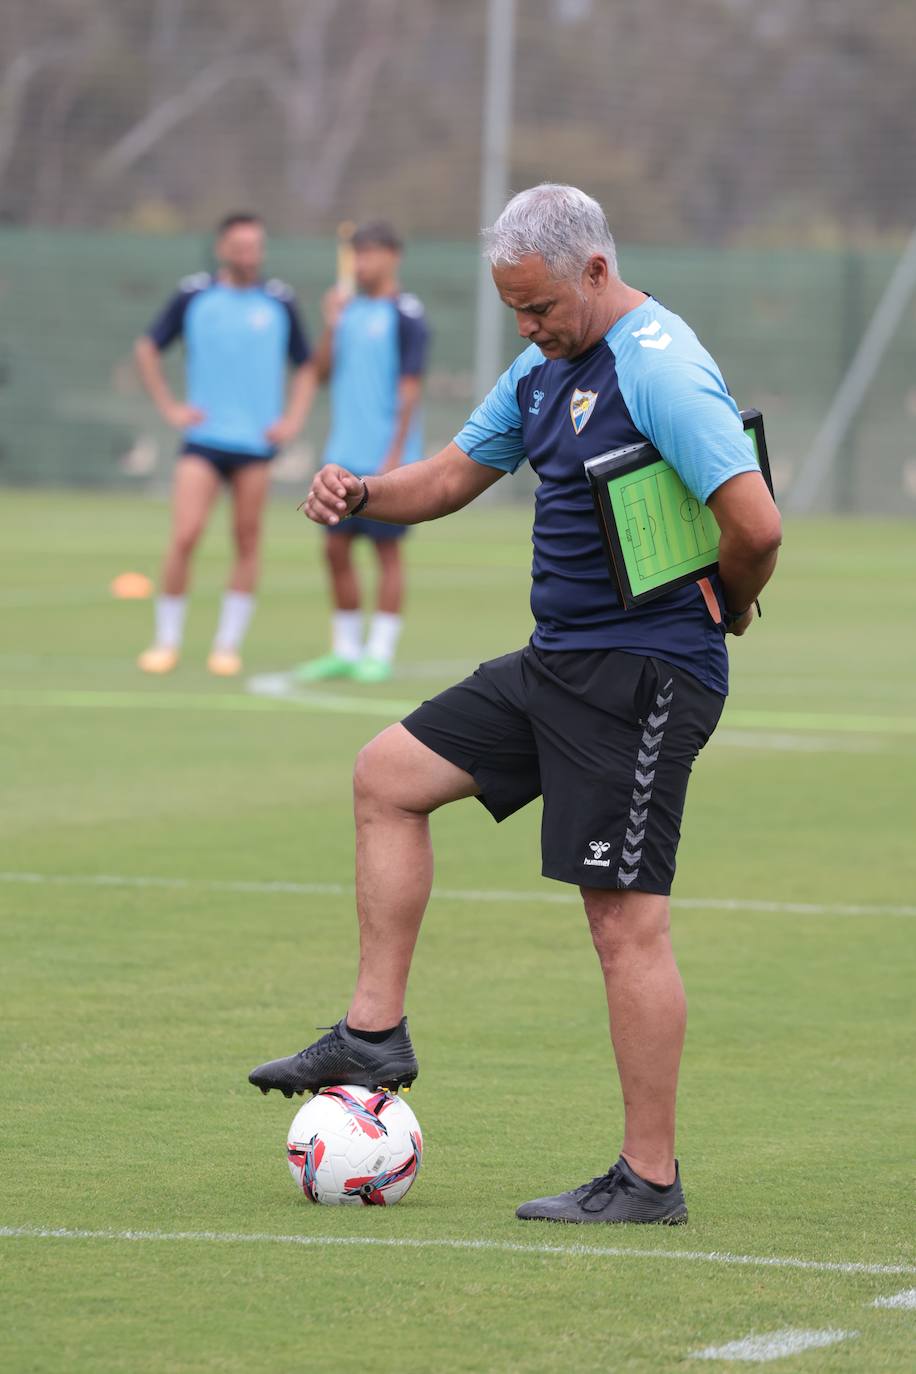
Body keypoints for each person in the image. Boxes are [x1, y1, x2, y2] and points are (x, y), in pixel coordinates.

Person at [249, 185, 782, 1225]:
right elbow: (451, 475)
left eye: (539, 308)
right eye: (515, 313)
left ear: (594, 269)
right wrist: (362, 493)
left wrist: (733, 600)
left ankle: (648, 1180)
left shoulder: (659, 367)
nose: (528, 330)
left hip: (641, 676)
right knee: (388, 776)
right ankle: (372, 1033)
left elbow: (753, 524)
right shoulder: (545, 367)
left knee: (622, 922)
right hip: (557, 663)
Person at [136, 212, 315, 677]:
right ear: (222, 248)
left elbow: (307, 365)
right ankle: (166, 641)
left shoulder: (279, 302)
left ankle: (227, 645)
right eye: (239, 246)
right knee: (186, 534)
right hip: (203, 441)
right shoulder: (195, 295)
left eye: (255, 245)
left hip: (254, 446)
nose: (248, 254)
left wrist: (292, 419)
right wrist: (171, 408)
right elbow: (147, 348)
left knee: (247, 539)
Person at [295, 220, 429, 685]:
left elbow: (409, 389)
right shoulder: (346, 311)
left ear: (393, 256)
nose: (362, 263)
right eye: (357, 254)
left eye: (370, 253)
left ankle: (380, 651)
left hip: (386, 460)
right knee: (334, 549)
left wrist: (395, 455)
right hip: (342, 454)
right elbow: (321, 370)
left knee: (386, 553)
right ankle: (346, 649)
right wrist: (331, 323)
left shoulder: (407, 314)